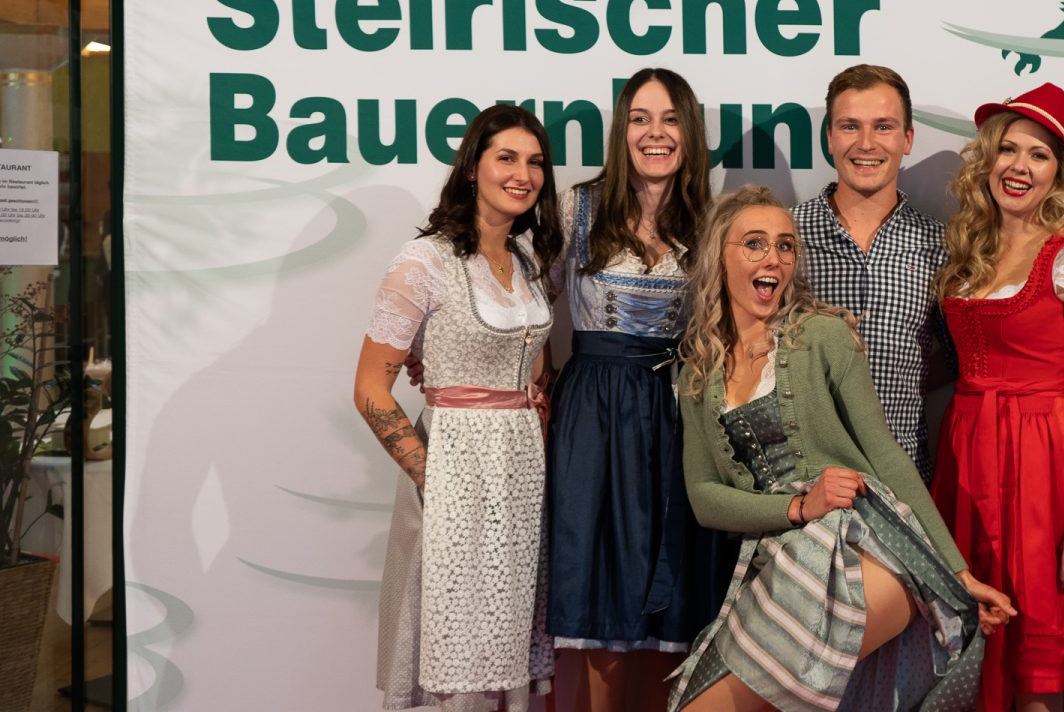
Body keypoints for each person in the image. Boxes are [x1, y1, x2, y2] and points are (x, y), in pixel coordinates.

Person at [669, 185, 1015, 712]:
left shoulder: (823, 335)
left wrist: (957, 571)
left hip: (865, 549)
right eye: (754, 243)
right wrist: (797, 507)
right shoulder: (699, 369)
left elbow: (885, 453)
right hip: (783, 559)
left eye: (785, 245)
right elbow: (704, 496)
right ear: (720, 256)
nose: (773, 258)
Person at [354, 103, 564, 712]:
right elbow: (369, 388)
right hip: (456, 463)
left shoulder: (526, 261)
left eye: (535, 162)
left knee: (503, 632)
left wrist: (532, 398)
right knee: (454, 639)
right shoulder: (423, 261)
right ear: (472, 167)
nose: (523, 174)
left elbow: (533, 362)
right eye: (507, 158)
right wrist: (434, 476)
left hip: (519, 470)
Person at [546, 67, 733, 712]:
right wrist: (536, 385)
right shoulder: (577, 207)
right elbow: (528, 308)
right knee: (602, 575)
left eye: (670, 119)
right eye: (640, 119)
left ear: (690, 131)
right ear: (621, 131)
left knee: (673, 586)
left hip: (677, 408)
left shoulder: (709, 220)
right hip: (594, 411)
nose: (656, 133)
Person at [929, 83, 1064, 711]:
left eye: (1039, 155)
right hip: (968, 459)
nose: (1019, 166)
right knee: (972, 656)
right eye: (1008, 150)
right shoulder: (971, 250)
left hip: (1042, 470)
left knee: (1036, 675)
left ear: (1059, 171)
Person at [792, 64, 948, 480]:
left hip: (905, 479)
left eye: (883, 127)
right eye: (850, 126)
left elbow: (958, 359)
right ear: (829, 137)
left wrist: (903, 374)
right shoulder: (786, 236)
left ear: (907, 139)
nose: (866, 144)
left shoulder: (940, 245)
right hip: (805, 481)